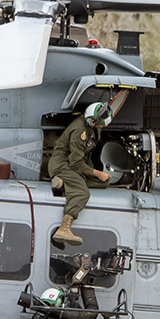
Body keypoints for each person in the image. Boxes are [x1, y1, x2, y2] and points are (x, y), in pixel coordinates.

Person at [48, 101, 116, 246]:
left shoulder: (92, 125)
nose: (104, 126)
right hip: (63, 164)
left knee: (104, 182)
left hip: (75, 164)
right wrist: (97, 173)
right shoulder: (80, 132)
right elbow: (75, 162)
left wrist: (96, 175)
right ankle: (64, 228)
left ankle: (64, 182)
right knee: (82, 193)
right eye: (102, 123)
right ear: (93, 121)